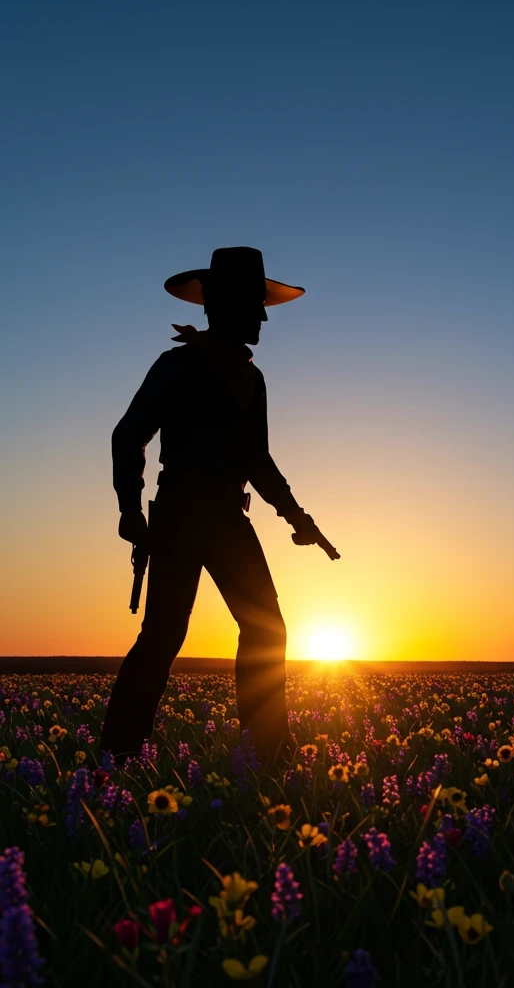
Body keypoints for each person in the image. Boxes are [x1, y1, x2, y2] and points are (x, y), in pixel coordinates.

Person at [99, 246, 337, 767]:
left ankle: (266, 751)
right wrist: (129, 507)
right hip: (182, 512)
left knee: (262, 627)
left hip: (227, 517)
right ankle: (118, 754)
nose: (264, 316)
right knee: (165, 634)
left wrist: (298, 518)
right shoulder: (177, 366)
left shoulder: (252, 378)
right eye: (255, 305)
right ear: (222, 306)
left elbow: (258, 459)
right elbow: (128, 437)